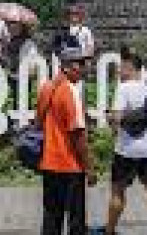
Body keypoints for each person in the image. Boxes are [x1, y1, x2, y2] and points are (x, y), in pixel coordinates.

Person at [106, 46, 147, 235]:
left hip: (126, 149)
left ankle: (109, 231)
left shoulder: (123, 88)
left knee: (118, 191)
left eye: (121, 67)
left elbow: (116, 119)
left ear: (130, 67)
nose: (118, 70)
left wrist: (111, 120)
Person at [37, 45, 96, 235]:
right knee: (76, 221)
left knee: (51, 218)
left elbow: (38, 122)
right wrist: (89, 168)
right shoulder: (70, 92)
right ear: (68, 66)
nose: (85, 68)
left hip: (49, 163)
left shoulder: (47, 88)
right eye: (81, 64)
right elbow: (78, 136)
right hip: (70, 166)